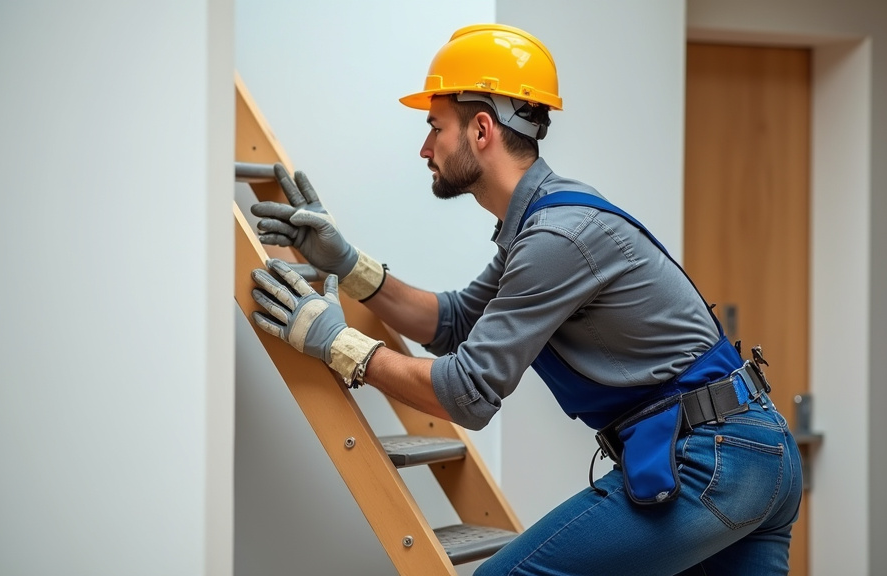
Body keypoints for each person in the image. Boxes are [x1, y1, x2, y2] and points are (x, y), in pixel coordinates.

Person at [248, 23, 803, 576]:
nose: (424, 147)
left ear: (482, 129)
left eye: (434, 126)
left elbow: (467, 395)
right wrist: (347, 262)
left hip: (717, 457)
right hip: (751, 451)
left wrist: (337, 344)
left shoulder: (557, 237)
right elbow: (455, 320)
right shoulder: (547, 219)